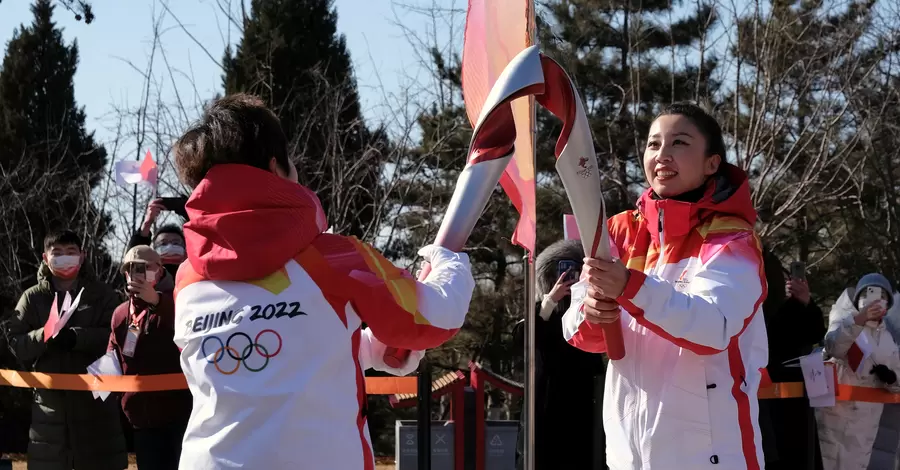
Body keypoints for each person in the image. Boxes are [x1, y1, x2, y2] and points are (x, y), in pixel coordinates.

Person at [169, 93, 475, 469]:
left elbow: (260, 353)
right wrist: (451, 264)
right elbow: (436, 316)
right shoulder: (334, 258)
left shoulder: (188, 280)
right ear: (275, 167)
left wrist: (368, 349)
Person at [562, 102, 768, 469]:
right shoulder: (620, 233)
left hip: (709, 456)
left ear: (712, 163)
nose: (662, 155)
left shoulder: (730, 240)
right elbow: (577, 328)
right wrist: (591, 312)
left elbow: (713, 327)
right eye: (654, 144)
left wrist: (629, 286)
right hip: (629, 454)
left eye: (680, 143)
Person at [5, 230, 127, 470]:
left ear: (82, 257)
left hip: (96, 408)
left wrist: (77, 338)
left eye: (71, 252)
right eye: (57, 253)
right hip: (49, 411)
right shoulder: (32, 298)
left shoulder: (102, 295)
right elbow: (14, 343)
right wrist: (44, 336)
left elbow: (117, 337)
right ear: (44, 258)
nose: (64, 258)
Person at [513, 240, 607, 470]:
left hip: (583, 411)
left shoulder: (587, 319)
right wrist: (549, 300)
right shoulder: (540, 316)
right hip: (545, 411)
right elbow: (522, 339)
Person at [107, 245, 192, 470]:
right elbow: (113, 357)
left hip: (180, 415)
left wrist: (157, 302)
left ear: (161, 271)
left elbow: (187, 333)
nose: (137, 273)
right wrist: (95, 389)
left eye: (145, 268)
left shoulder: (180, 302)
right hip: (140, 419)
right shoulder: (120, 313)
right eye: (131, 269)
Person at [818, 274, 900, 470]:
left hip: (866, 422)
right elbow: (834, 347)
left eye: (881, 296)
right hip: (836, 418)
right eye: (869, 294)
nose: (874, 300)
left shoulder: (888, 338)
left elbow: (898, 381)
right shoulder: (844, 322)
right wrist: (859, 319)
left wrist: (891, 379)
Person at [759, 250, 825, 470]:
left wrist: (806, 302)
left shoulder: (787, 309)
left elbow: (815, 334)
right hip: (762, 410)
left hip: (793, 409)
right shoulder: (746, 313)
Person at [128, 213, 187, 279]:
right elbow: (134, 258)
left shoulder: (193, 273)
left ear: (185, 248)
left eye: (176, 243)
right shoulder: (149, 277)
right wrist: (147, 224)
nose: (170, 246)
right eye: (164, 243)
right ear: (155, 249)